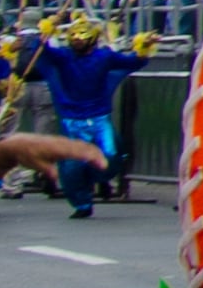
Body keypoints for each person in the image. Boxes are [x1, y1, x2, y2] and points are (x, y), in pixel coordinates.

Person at [35, 12, 132, 220]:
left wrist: (143, 50)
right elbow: (43, 51)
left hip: (98, 117)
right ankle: (82, 203)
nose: (77, 40)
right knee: (71, 166)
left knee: (111, 156)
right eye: (74, 36)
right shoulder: (64, 57)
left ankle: (96, 178)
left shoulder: (104, 56)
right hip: (72, 119)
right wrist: (45, 31)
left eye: (82, 35)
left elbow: (131, 62)